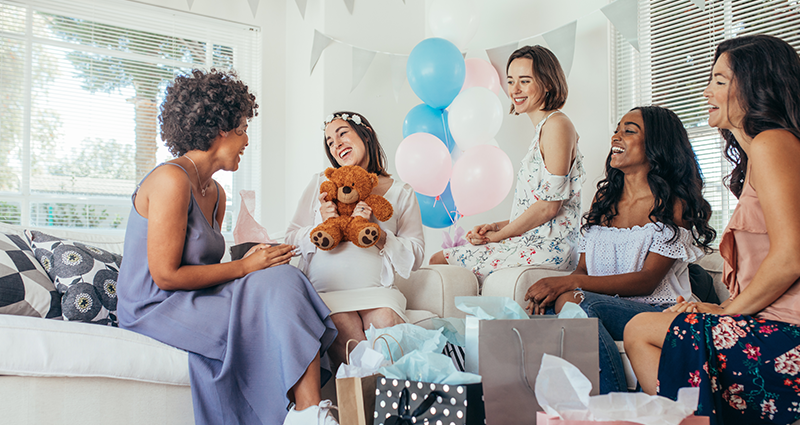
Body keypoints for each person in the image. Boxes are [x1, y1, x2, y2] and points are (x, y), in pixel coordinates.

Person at [117, 69, 338, 425]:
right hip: (154, 304)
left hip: (196, 296)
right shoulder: (170, 180)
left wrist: (257, 263)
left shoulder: (217, 194)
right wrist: (246, 268)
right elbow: (166, 275)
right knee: (266, 295)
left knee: (281, 279)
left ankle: (309, 415)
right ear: (221, 129)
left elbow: (209, 267)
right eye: (243, 129)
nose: (246, 140)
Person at [625, 35, 800, 424]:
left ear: (758, 85)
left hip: (789, 333)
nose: (706, 91)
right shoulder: (761, 154)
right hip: (767, 324)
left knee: (642, 329)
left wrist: (725, 312)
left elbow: (790, 257)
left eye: (720, 81)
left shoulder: (774, 144)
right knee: (646, 327)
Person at [526, 105, 716, 394]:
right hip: (606, 306)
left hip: (658, 310)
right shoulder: (604, 199)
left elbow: (648, 279)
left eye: (629, 131)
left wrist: (569, 284)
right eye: (617, 129)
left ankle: (611, 405)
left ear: (656, 144)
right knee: (562, 307)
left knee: (581, 304)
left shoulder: (674, 204)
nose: (616, 136)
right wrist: (562, 290)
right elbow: (583, 269)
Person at [428, 45, 585, 284]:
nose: (515, 90)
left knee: (440, 260)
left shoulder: (556, 125)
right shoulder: (544, 128)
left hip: (549, 249)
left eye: (525, 81)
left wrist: (499, 236)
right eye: (511, 81)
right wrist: (495, 226)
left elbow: (550, 208)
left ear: (549, 83)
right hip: (533, 240)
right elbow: (536, 209)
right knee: (441, 260)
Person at [285, 111, 425, 368]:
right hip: (329, 292)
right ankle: (377, 403)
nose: (336, 144)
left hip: (378, 293)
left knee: (386, 326)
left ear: (366, 133)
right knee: (344, 330)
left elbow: (415, 255)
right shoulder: (321, 184)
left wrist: (380, 236)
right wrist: (320, 226)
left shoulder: (401, 192)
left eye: (342, 134)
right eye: (329, 142)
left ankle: (383, 401)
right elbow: (291, 239)